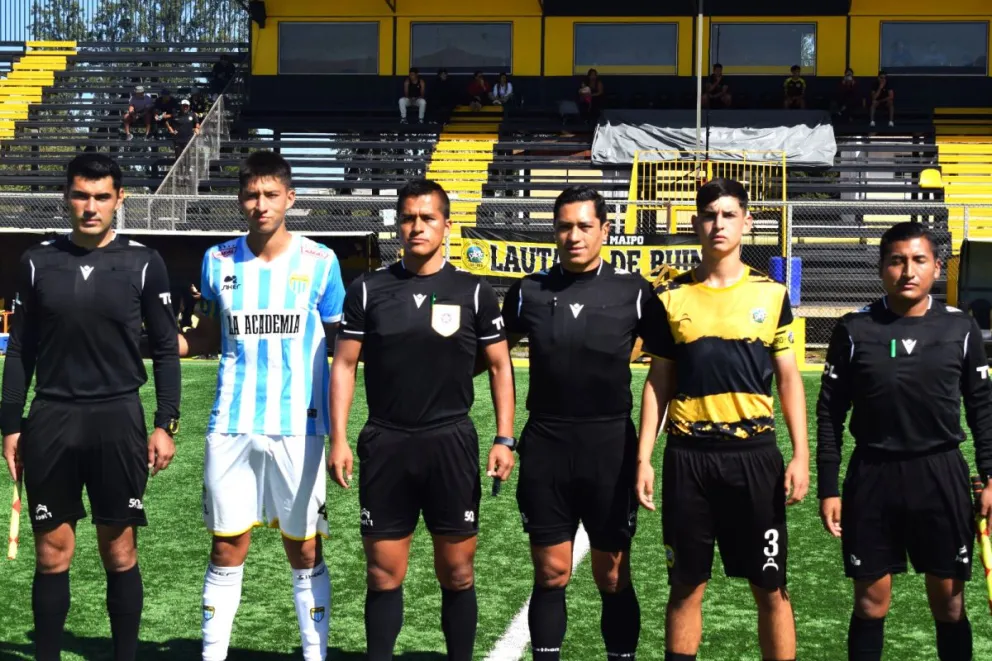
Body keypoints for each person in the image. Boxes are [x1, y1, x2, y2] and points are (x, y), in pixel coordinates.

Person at [0, 153, 181, 661]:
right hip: (52, 417)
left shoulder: (144, 262)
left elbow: (166, 348)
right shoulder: (36, 261)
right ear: (66, 197)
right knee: (51, 553)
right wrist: (10, 425)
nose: (90, 207)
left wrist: (165, 423)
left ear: (120, 199)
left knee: (119, 550)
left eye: (102, 197)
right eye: (81, 195)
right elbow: (21, 349)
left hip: (118, 419)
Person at [329, 178, 516, 661]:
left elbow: (500, 366)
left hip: (450, 442)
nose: (417, 226)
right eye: (408, 217)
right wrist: (339, 439)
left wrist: (504, 437)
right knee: (382, 574)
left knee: (458, 573)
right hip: (386, 441)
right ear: (398, 224)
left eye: (428, 217)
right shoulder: (368, 289)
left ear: (447, 225)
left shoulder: (473, 291)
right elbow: (344, 365)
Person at [178, 151, 346, 661]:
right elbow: (206, 335)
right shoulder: (217, 260)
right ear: (239, 200)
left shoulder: (321, 262)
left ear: (290, 198)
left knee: (305, 547)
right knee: (226, 546)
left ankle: (315, 655)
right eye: (252, 195)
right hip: (231, 424)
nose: (261, 204)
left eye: (271, 194)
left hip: (300, 426)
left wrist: (340, 434)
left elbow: (344, 351)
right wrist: (151, 343)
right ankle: (213, 655)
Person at [636, 178, 809, 661]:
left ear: (746, 223)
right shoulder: (670, 296)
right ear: (696, 223)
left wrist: (801, 454)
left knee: (770, 586)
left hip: (755, 458)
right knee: (685, 586)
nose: (719, 224)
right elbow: (658, 381)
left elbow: (789, 379)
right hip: (688, 459)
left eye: (729, 215)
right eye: (710, 215)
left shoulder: (772, 294)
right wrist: (644, 457)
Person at [501, 186, 667, 661]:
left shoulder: (634, 292)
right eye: (564, 227)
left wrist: (646, 455)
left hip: (610, 449)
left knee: (612, 574)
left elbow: (667, 368)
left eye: (584, 226)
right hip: (546, 446)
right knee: (551, 573)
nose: (573, 236)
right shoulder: (528, 292)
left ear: (605, 230)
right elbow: (490, 357)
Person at [816, 221, 992, 661]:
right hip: (873, 476)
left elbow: (982, 408)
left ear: (937, 267)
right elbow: (830, 414)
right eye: (897, 261)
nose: (908, 271)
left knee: (949, 604)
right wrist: (829, 488)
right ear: (881, 268)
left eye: (918, 260)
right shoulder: (855, 328)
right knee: (870, 603)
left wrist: (991, 476)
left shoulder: (960, 328)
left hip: (941, 474)